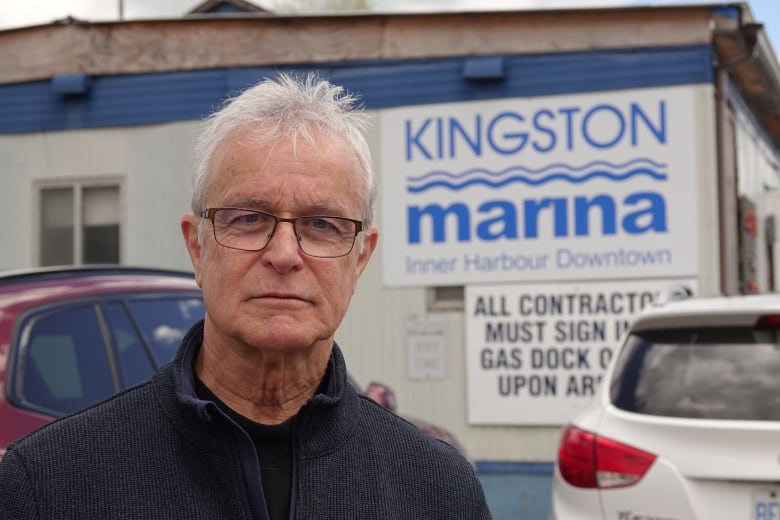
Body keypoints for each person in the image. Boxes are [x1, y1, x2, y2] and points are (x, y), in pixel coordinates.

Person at [0, 73, 492, 519]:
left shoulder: (439, 492)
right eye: (249, 218)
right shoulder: (46, 486)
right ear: (197, 247)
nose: (283, 254)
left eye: (321, 224)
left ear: (360, 257)